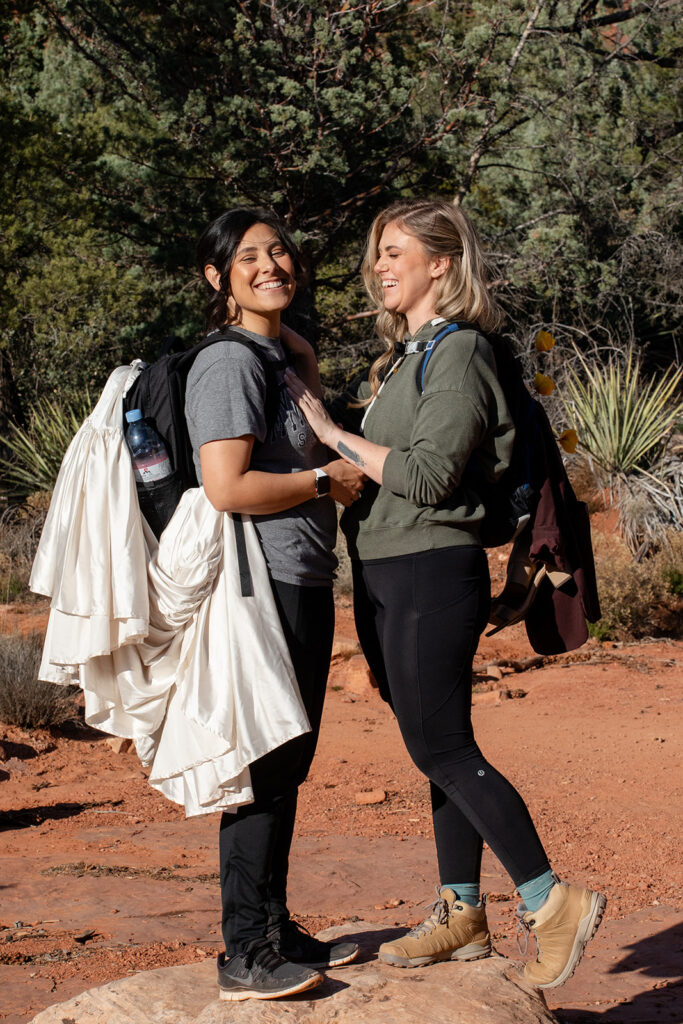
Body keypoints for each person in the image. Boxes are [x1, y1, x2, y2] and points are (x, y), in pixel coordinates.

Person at [286, 197, 606, 990]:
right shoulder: (408, 356)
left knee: (441, 746)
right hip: (388, 567)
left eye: (395, 253)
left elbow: (426, 476)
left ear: (442, 263)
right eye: (376, 254)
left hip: (432, 566)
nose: (379, 267)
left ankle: (549, 900)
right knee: (436, 744)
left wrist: (332, 435)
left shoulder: (457, 352)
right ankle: (461, 911)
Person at [186, 207, 364, 1001]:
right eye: (249, 256)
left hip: (297, 576)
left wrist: (305, 359)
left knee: (287, 760)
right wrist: (326, 483)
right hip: (263, 585)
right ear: (217, 278)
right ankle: (244, 952)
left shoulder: (273, 355)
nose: (272, 263)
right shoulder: (230, 364)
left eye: (280, 250)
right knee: (264, 762)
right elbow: (227, 486)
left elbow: (306, 435)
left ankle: (272, 924)